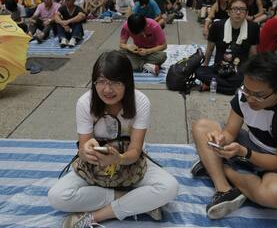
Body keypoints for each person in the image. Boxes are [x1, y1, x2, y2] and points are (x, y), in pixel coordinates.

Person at [48, 50, 179, 227]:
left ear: (127, 82)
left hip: (131, 165)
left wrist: (119, 159)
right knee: (57, 197)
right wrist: (87, 151)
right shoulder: (85, 103)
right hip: (95, 169)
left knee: (170, 187)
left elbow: (135, 151)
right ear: (94, 82)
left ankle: (95, 217)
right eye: (101, 82)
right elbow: (83, 148)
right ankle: (135, 201)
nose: (107, 89)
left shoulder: (140, 102)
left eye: (115, 82)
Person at [191, 52, 277, 219]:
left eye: (259, 95)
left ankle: (217, 168)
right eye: (247, 90)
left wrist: (243, 153)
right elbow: (230, 131)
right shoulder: (245, 95)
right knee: (202, 127)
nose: (250, 99)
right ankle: (224, 189)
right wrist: (220, 139)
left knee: (276, 195)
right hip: (252, 142)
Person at [196, 0, 259, 95]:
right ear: (228, 12)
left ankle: (215, 85)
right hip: (219, 68)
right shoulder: (217, 26)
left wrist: (253, 72)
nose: (238, 12)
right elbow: (210, 49)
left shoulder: (253, 27)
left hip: (240, 69)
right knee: (199, 72)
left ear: (246, 12)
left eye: (242, 9)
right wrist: (205, 65)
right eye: (235, 9)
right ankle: (233, 89)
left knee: (242, 78)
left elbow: (253, 53)